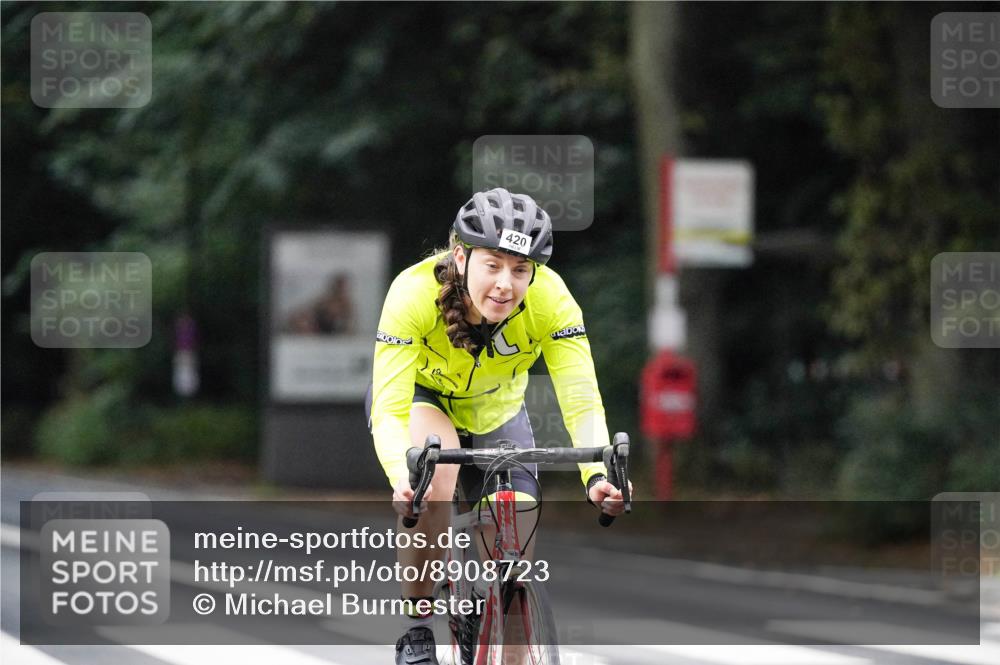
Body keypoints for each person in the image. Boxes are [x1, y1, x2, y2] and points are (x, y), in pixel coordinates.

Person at [366, 187, 632, 665]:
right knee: (435, 475)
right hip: (425, 402)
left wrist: (597, 475)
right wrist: (402, 479)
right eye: (493, 264)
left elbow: (580, 397)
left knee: (515, 552)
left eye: (520, 269)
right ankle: (417, 624)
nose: (506, 284)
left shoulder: (552, 300)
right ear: (462, 257)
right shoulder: (411, 292)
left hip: (498, 412)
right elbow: (389, 406)